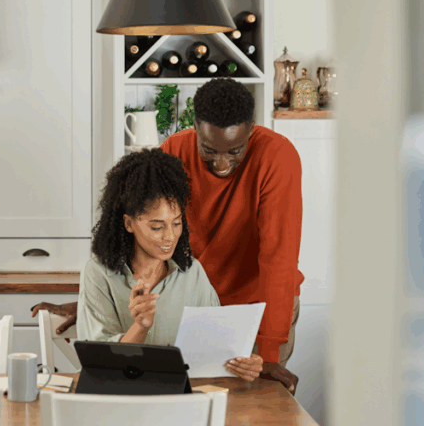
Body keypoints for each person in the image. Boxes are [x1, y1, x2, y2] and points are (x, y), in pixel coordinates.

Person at [33, 77, 303, 392]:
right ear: (196, 128)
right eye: (209, 149)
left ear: (251, 129)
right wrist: (95, 301)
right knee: (191, 401)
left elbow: (278, 259)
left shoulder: (277, 156)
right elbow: (146, 230)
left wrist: (269, 354)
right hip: (193, 302)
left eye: (235, 151)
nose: (222, 163)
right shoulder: (174, 150)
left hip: (259, 307)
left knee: (255, 415)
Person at [75, 147, 263, 381]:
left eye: (176, 223)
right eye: (157, 227)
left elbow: (216, 349)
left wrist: (244, 363)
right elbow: (101, 366)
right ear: (129, 223)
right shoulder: (98, 274)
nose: (170, 236)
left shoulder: (192, 273)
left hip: (183, 401)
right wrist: (140, 326)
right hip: (121, 401)